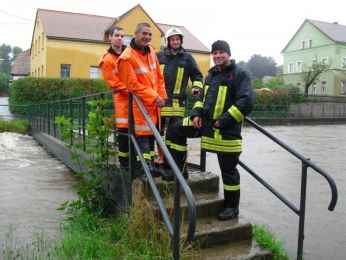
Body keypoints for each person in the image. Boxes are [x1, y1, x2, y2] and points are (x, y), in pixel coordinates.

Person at [165, 40, 254, 220]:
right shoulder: (210, 75)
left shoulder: (240, 74)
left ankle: (232, 207)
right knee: (175, 130)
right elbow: (201, 99)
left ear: (228, 54)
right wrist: (196, 114)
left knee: (228, 172)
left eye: (221, 52)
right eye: (214, 53)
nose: (217, 56)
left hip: (226, 131)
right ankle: (181, 171)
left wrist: (223, 121)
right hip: (204, 124)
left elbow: (246, 102)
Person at [117, 22, 167, 182]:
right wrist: (154, 97)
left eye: (150, 34)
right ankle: (143, 171)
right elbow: (132, 85)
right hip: (139, 106)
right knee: (142, 139)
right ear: (136, 34)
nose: (147, 37)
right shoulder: (126, 58)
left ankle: (150, 167)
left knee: (152, 137)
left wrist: (162, 96)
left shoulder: (152, 50)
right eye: (144, 34)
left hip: (154, 104)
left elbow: (159, 76)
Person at [156, 27, 203, 180]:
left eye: (177, 39)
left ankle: (178, 168)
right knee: (158, 135)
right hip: (159, 103)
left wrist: (196, 87)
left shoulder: (188, 58)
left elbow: (197, 76)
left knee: (175, 138)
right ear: (168, 41)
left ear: (181, 41)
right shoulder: (159, 56)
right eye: (172, 39)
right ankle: (162, 162)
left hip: (177, 105)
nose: (175, 42)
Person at [99, 26, 129, 170]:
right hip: (122, 99)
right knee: (124, 130)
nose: (119, 38)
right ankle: (124, 162)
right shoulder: (107, 59)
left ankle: (136, 160)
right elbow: (113, 82)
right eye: (117, 35)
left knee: (138, 130)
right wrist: (132, 91)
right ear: (110, 37)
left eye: (122, 36)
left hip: (135, 97)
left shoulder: (129, 53)